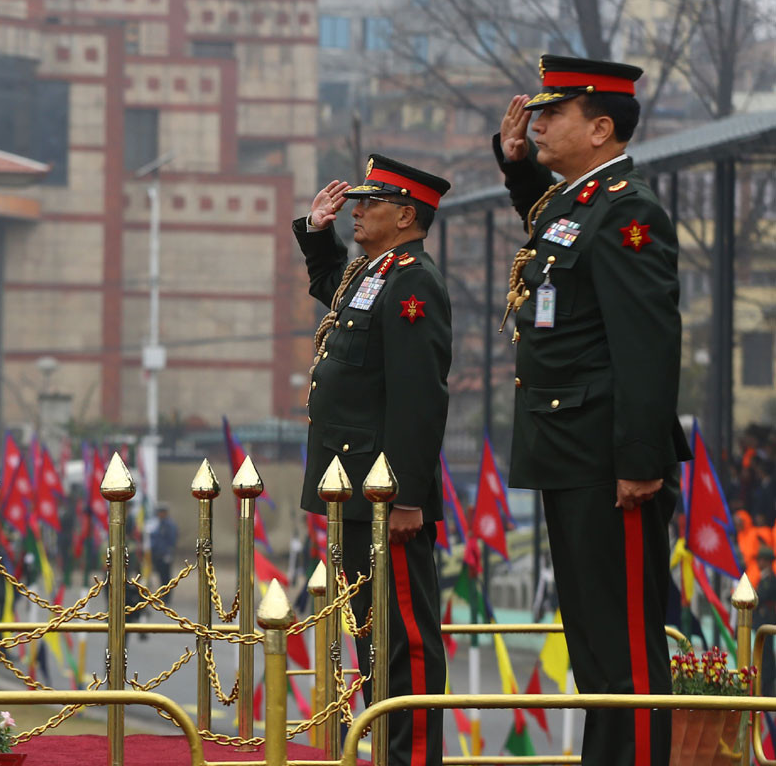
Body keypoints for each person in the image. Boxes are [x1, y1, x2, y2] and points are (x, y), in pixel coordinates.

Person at [495, 55, 692, 766]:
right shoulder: (580, 204)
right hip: (571, 452)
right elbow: (549, 226)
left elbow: (646, 344)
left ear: (602, 127)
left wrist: (640, 461)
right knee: (594, 649)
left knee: (626, 652)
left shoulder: (628, 210)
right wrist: (518, 166)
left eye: (556, 113)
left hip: (612, 464)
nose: (537, 122)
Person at [294, 155, 452, 765]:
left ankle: (410, 757)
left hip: (387, 497)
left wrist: (406, 494)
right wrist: (317, 232)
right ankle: (387, 751)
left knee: (402, 638)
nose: (357, 210)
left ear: (406, 215)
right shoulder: (377, 270)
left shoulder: (413, 281)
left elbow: (419, 397)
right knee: (371, 631)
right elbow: (334, 291)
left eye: (371, 204)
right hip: (355, 488)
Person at [755, 545, 776, 697]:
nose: (759, 562)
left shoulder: (770, 579)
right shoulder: (763, 578)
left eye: (761, 559)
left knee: (767, 654)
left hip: (767, 620)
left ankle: (767, 684)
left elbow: (763, 595)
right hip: (761, 620)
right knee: (762, 654)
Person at [148, 504, 179, 599]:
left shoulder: (169, 525)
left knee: (166, 576)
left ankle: (167, 595)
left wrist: (169, 553)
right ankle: (163, 593)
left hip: (165, 554)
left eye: (161, 512)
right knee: (161, 575)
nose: (160, 514)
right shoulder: (158, 524)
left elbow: (172, 540)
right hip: (157, 553)